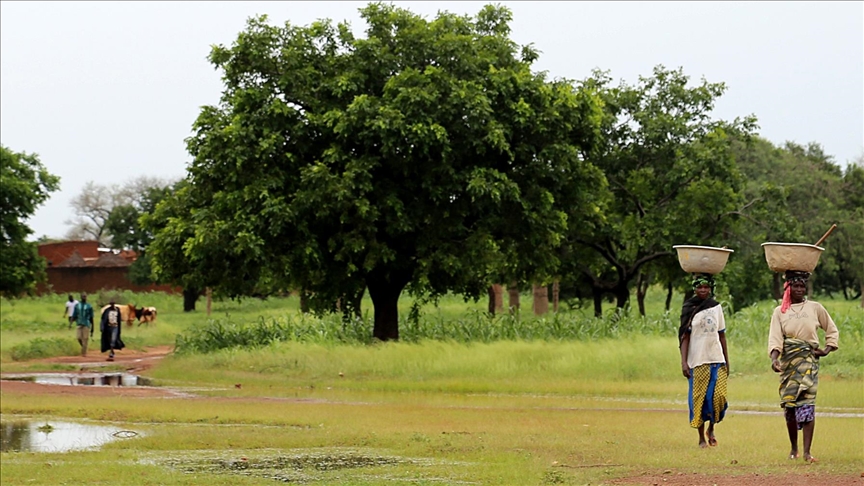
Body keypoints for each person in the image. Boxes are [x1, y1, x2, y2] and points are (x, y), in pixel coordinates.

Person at [768, 270, 839, 463]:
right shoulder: (780, 311)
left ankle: (808, 452)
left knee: (807, 404)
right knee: (789, 406)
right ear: (787, 288)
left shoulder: (815, 308)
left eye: (802, 286)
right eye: (795, 286)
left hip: (808, 361)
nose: (799, 289)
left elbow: (831, 329)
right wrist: (775, 359)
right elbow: (775, 338)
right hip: (788, 363)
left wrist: (826, 349)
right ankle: (794, 449)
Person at [678, 273, 730, 448]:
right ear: (694, 288)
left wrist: (727, 361)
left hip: (716, 358)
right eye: (700, 287)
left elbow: (721, 335)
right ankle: (701, 438)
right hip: (697, 360)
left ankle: (711, 428)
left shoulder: (716, 307)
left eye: (706, 287)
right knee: (699, 399)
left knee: (718, 397)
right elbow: (684, 337)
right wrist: (684, 362)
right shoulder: (689, 307)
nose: (703, 290)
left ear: (711, 288)